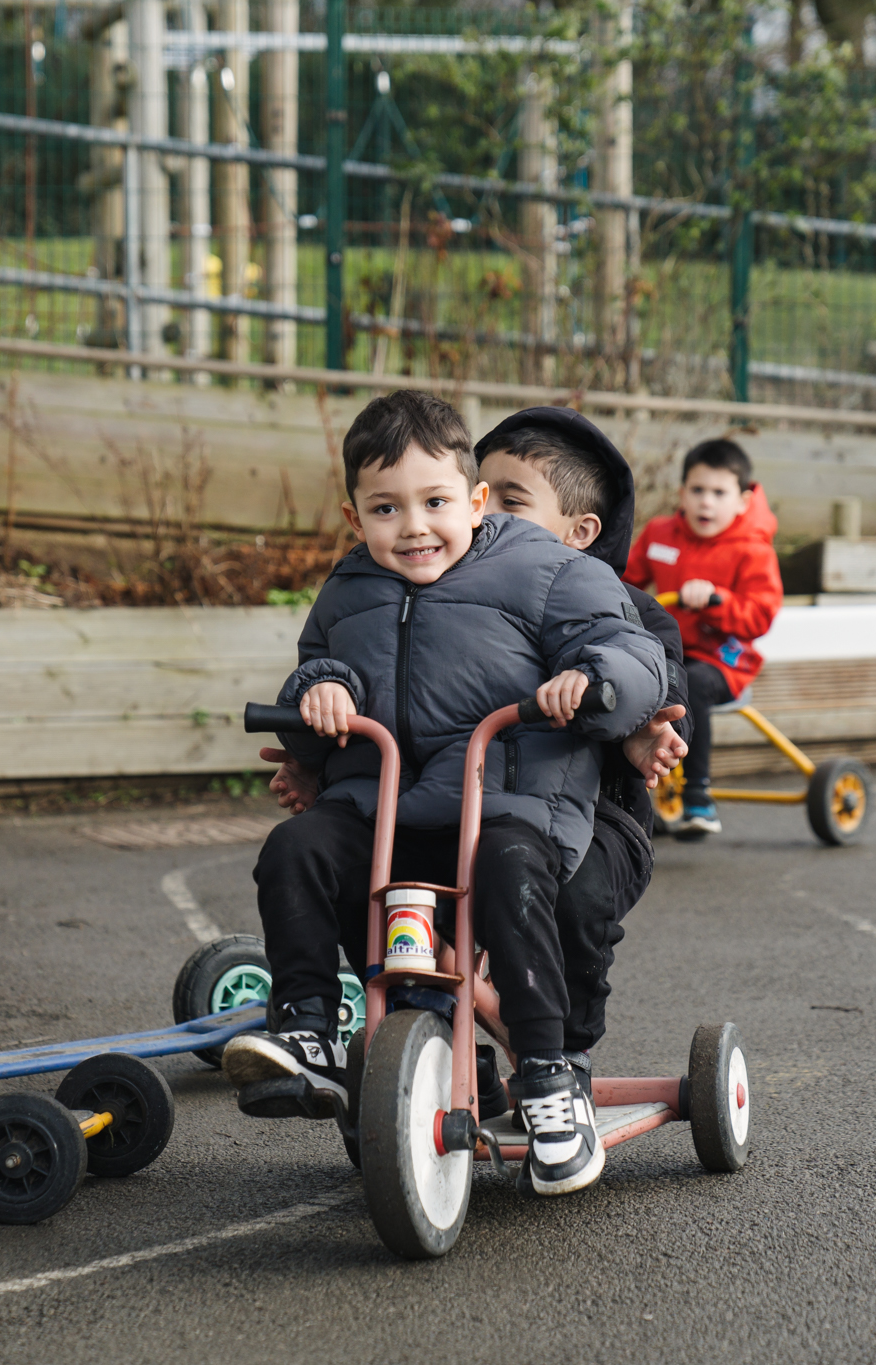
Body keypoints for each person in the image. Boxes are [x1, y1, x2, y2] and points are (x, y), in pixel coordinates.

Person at [225, 390, 667, 1196]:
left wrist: (592, 680)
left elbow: (628, 647)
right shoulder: (348, 589)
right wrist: (319, 696)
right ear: (355, 517)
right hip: (385, 808)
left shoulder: (546, 570)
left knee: (510, 872)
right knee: (297, 850)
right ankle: (309, 1029)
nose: (414, 527)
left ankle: (548, 1071)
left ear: (475, 499)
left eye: (435, 502)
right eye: (386, 509)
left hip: (506, 804)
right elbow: (320, 666)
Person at [472, 408, 689, 1067]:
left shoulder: (631, 609)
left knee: (575, 893)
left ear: (580, 532)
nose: (485, 513)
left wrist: (640, 727)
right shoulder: (450, 593)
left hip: (595, 816)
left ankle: (568, 1048)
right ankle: (419, 1030)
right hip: (472, 804)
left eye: (511, 501)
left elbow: (659, 680)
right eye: (479, 494)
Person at [624, 439, 783, 839]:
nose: (706, 502)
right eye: (697, 490)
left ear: (743, 501)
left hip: (722, 659)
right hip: (666, 652)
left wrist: (717, 600)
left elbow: (760, 616)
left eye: (718, 493)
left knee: (689, 685)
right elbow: (626, 581)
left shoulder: (753, 551)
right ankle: (631, 795)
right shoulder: (660, 535)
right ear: (682, 493)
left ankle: (698, 794)